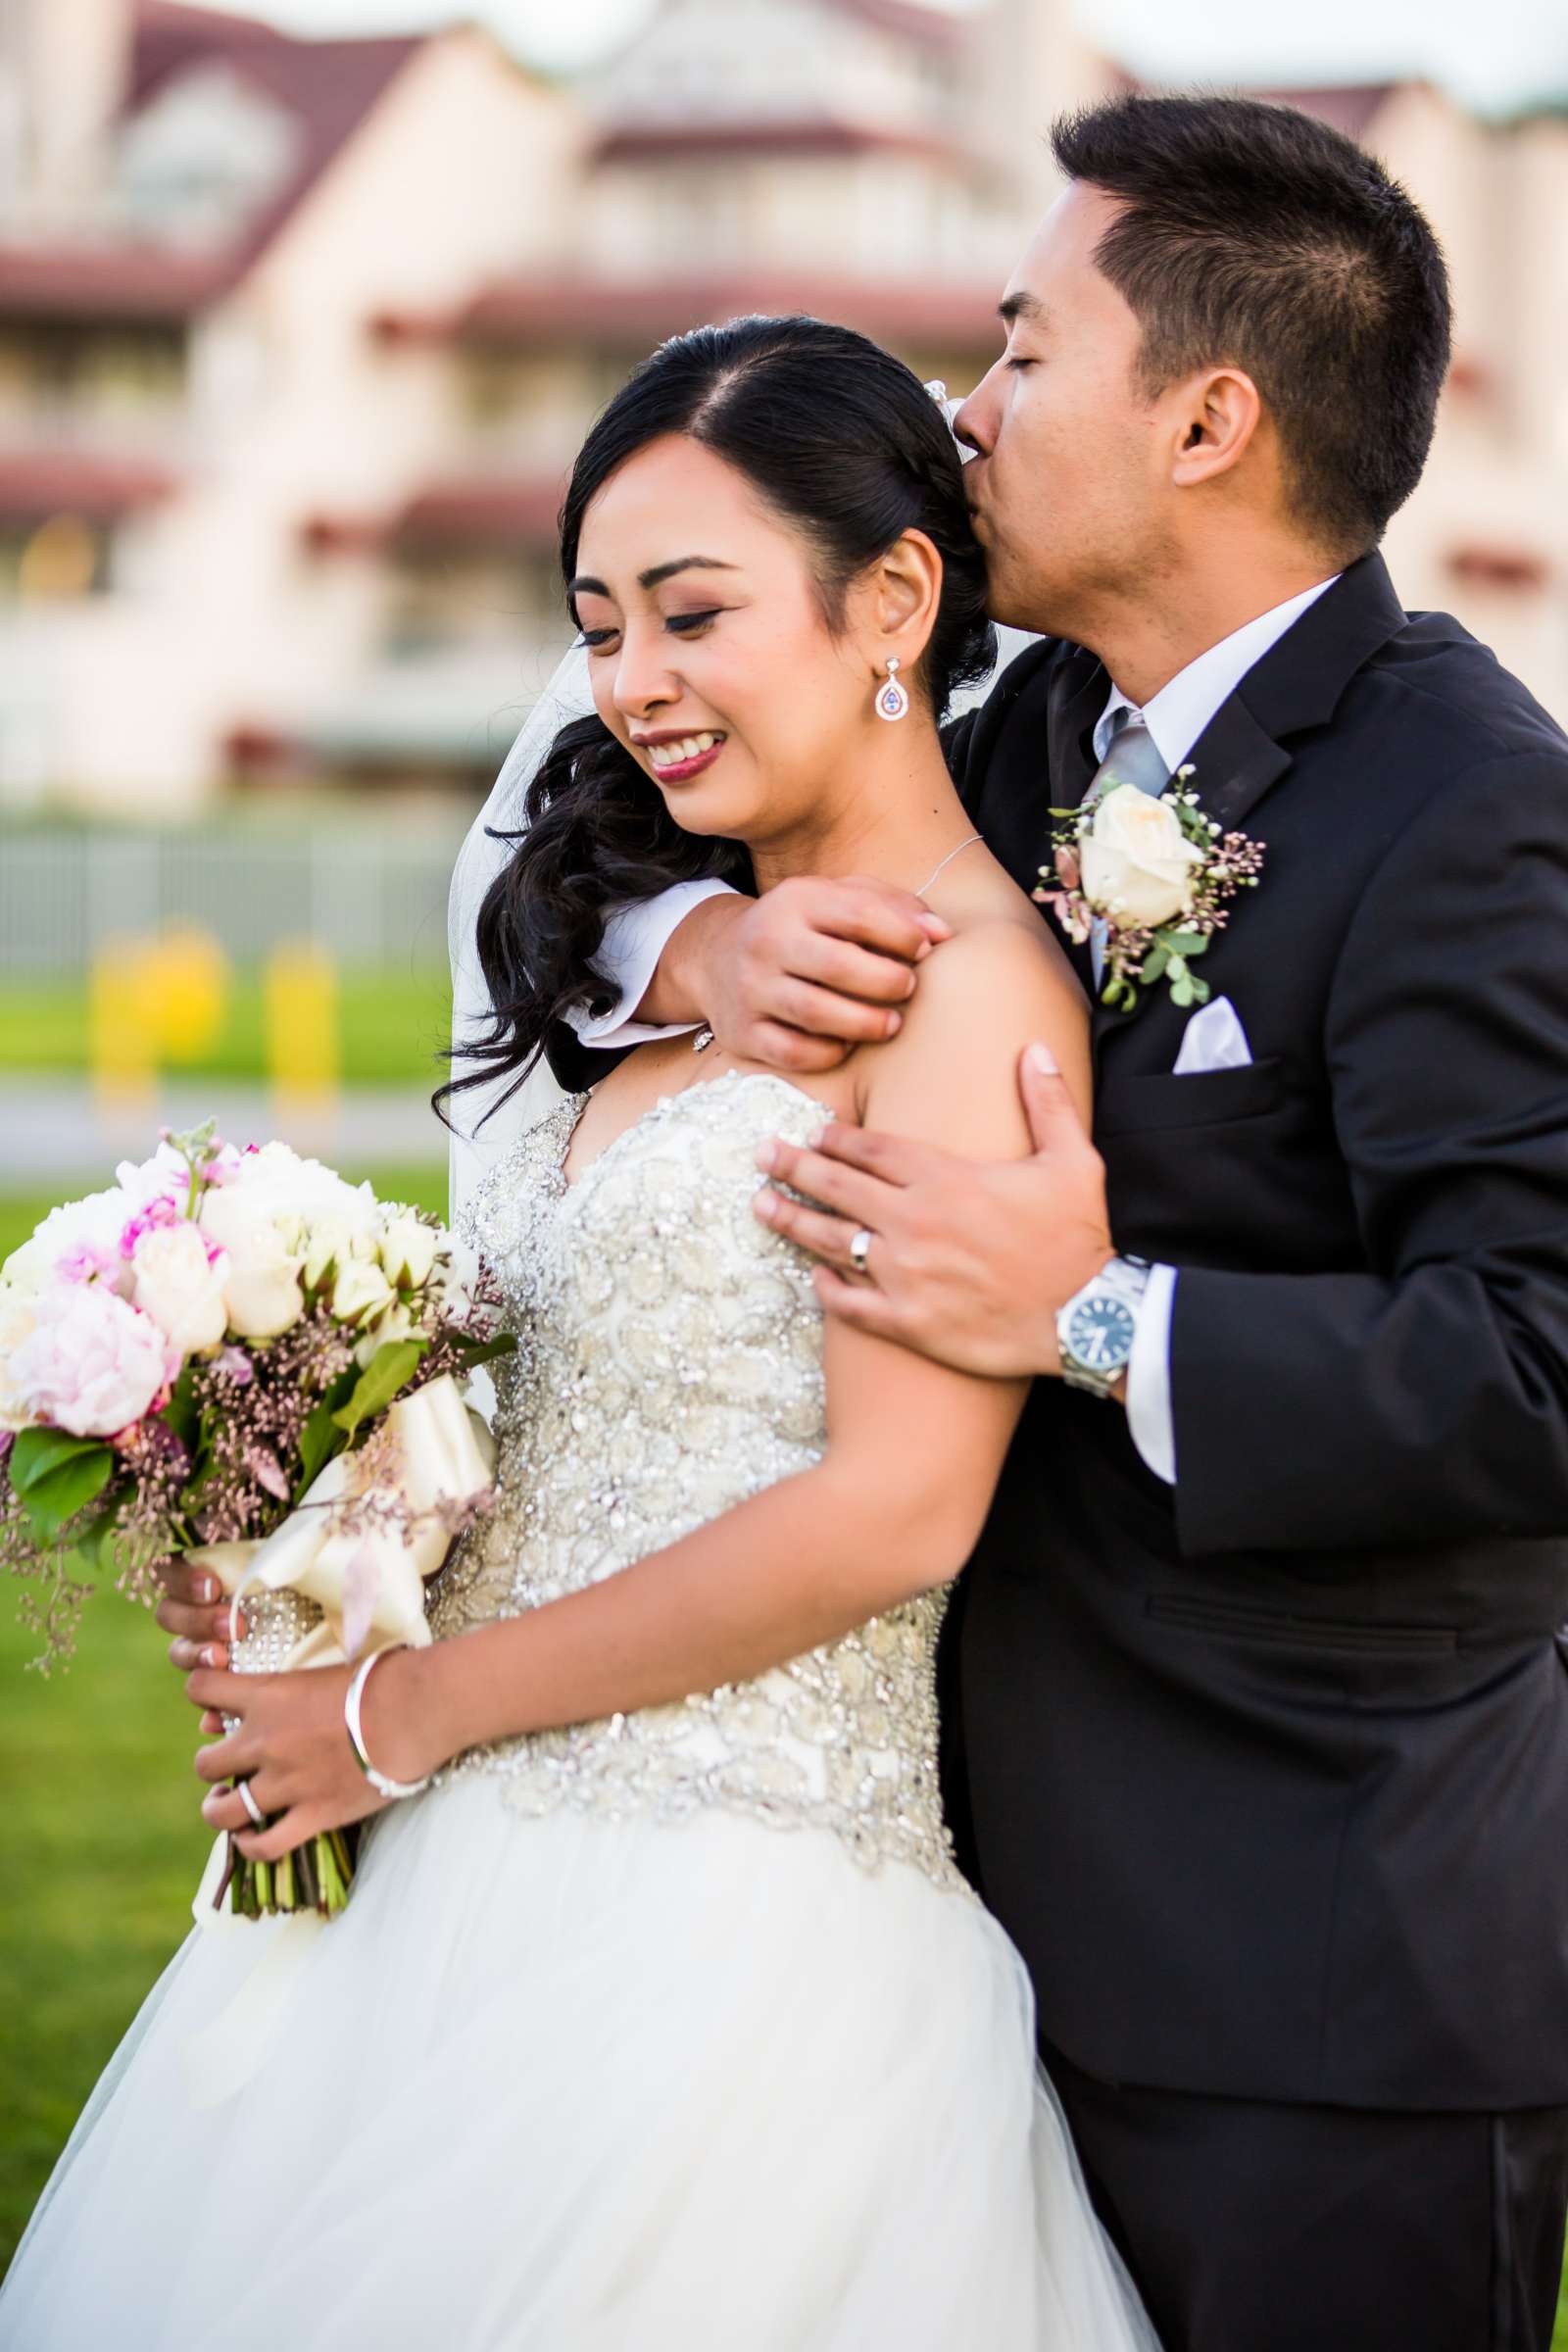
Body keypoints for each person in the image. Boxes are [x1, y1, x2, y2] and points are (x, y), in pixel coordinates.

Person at [487, 95, 1568, 2352]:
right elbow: (559, 822)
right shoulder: (1007, 730)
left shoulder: (1467, 810)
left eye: (1015, 351)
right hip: (936, 1946)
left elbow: (1530, 1364)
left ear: (1202, 418)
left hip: (1312, 1994)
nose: (958, 416)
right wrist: (684, 950)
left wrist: (1095, 1320)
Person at [1, 318, 1157, 2351]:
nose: (629, 683)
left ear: (889, 598)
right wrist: (308, 1584)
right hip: (428, 1867)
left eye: (690, 614)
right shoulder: (638, 948)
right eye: (596, 624)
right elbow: (538, 1396)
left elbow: (892, 1517)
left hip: (724, 1928)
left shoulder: (965, 995)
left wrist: (402, 1718)